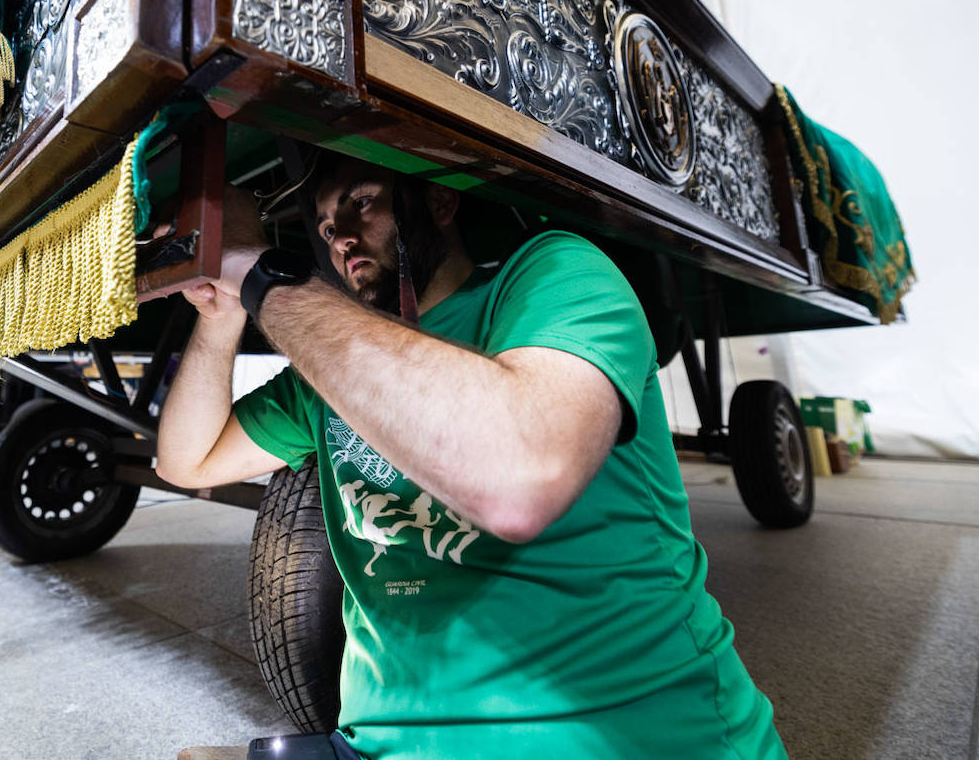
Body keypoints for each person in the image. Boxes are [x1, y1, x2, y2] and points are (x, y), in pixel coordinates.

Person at [155, 154, 787, 759]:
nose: (340, 236)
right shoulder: (327, 377)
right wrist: (220, 319)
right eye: (324, 225)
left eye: (361, 203)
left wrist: (261, 272)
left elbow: (519, 479)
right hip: (375, 746)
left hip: (610, 740)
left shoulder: (553, 274)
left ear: (440, 200)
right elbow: (188, 461)